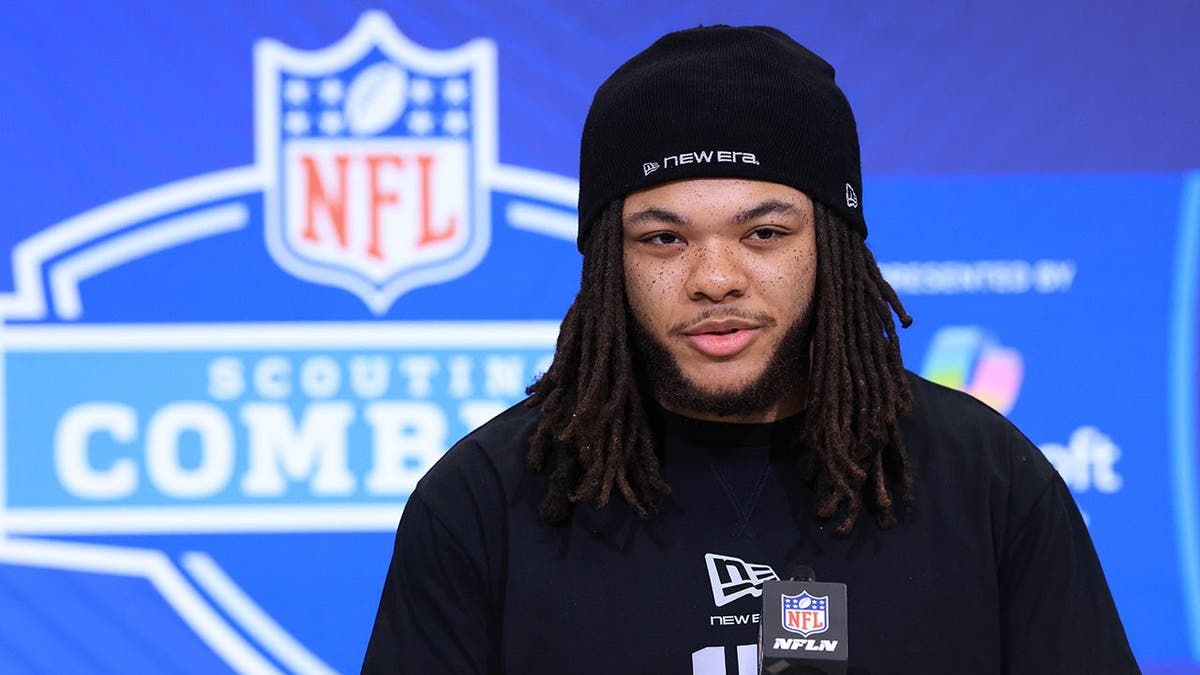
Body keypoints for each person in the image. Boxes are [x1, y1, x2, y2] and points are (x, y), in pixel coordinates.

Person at [363, 25, 1138, 674]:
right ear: (608, 261)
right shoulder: (483, 502)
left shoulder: (988, 480)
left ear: (832, 244)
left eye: (763, 233)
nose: (714, 278)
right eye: (664, 238)